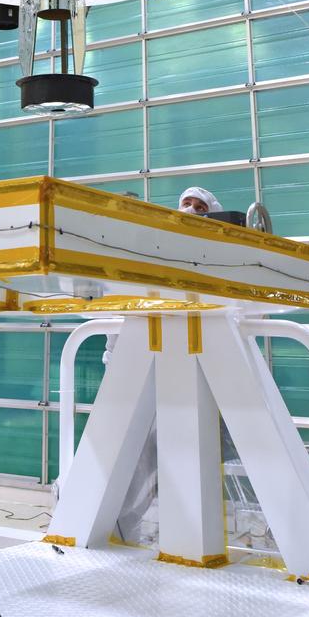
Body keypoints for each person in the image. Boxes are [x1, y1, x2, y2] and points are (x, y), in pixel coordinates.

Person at [108, 186, 224, 544]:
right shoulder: (156, 248)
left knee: (179, 451)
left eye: (200, 206)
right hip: (140, 364)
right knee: (130, 450)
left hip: (192, 368)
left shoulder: (219, 258)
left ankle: (179, 532)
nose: (190, 209)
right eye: (186, 203)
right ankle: (113, 527)